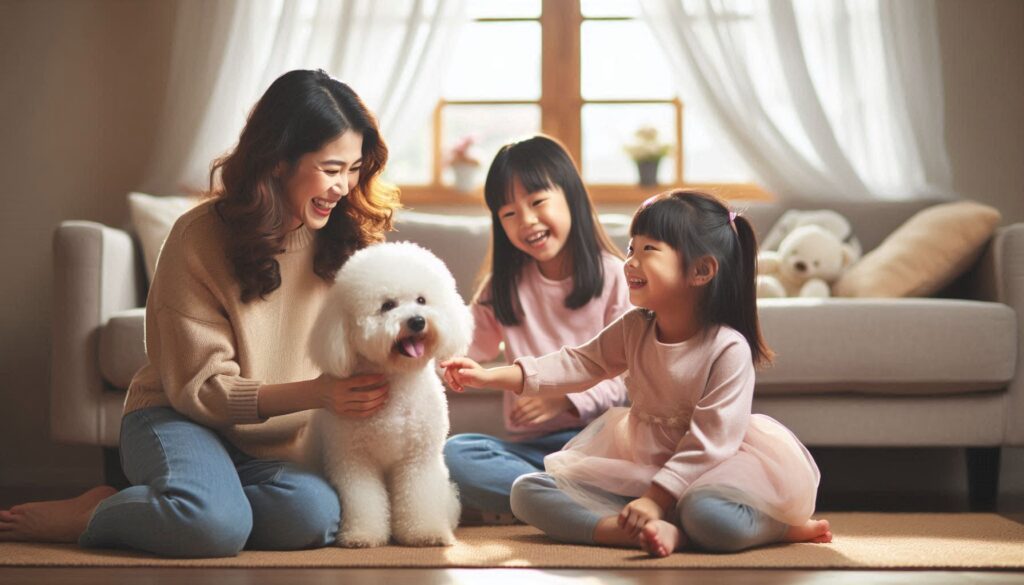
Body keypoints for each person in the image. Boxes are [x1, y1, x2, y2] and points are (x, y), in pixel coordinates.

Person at [0, 69, 401, 558]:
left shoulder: (347, 241)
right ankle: (96, 513)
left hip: (270, 444)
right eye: (330, 167)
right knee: (213, 527)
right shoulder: (199, 237)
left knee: (314, 517)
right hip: (177, 418)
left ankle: (194, 502)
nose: (344, 186)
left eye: (355, 168)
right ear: (278, 159)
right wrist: (318, 393)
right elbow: (201, 390)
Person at [443, 190, 832, 556]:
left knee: (709, 516)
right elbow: (580, 362)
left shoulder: (727, 348)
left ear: (700, 271)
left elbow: (709, 443)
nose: (630, 261)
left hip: (712, 474)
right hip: (643, 468)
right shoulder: (635, 326)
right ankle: (623, 530)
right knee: (528, 491)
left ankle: (774, 528)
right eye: (632, 247)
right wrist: (491, 376)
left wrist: (655, 499)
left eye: (649, 250)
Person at [442, 135, 631, 524]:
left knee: (636, 462)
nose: (526, 220)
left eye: (538, 202)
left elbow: (628, 377)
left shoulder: (616, 276)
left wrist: (561, 400)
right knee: (456, 455)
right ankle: (560, 499)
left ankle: (543, 502)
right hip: (533, 453)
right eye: (508, 213)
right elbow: (461, 349)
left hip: (602, 445)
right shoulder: (503, 285)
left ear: (571, 197)